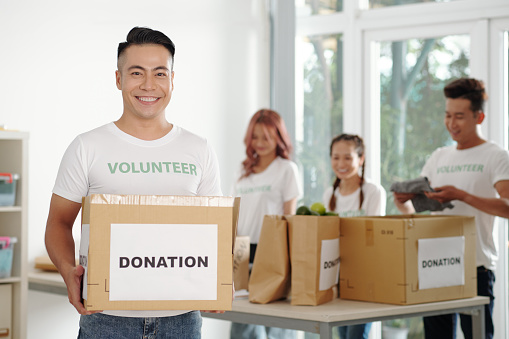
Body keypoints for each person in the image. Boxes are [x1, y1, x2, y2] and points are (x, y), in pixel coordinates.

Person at [45, 27, 224, 339]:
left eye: (160, 73)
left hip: (181, 322)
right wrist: (67, 271)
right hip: (107, 321)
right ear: (118, 79)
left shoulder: (199, 149)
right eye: (137, 73)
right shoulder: (88, 146)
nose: (149, 85)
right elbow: (58, 223)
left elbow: (215, 231)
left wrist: (220, 278)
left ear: (172, 80)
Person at [393, 78, 509, 339]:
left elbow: (507, 207)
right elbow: (417, 214)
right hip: (434, 263)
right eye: (447, 115)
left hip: (475, 266)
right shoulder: (438, 157)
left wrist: (463, 196)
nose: (451, 124)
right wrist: (404, 204)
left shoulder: (495, 156)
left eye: (459, 116)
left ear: (479, 117)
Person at [230, 108, 301, 339]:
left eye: (267, 137)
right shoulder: (243, 171)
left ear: (279, 138)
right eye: (255, 136)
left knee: (276, 324)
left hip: (272, 253)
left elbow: (290, 218)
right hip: (242, 253)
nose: (260, 143)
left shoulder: (286, 170)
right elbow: (234, 213)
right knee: (242, 324)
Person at [322, 133, 386, 339]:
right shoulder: (329, 195)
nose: (341, 163)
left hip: (364, 275)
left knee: (356, 335)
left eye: (348, 158)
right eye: (335, 157)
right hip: (337, 275)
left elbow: (374, 237)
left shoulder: (373, 192)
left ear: (361, 158)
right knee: (342, 334)